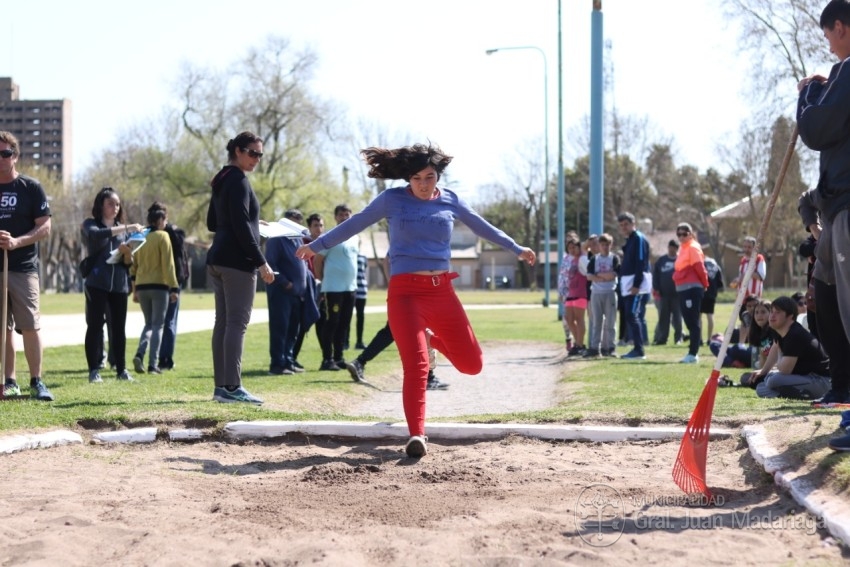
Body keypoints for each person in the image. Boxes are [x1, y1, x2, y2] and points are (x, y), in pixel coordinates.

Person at [297, 143, 535, 458]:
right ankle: (416, 435)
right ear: (407, 178)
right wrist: (317, 245)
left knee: (472, 365)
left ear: (438, 176)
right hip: (405, 294)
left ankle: (431, 339)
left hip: (442, 292)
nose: (423, 184)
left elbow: (483, 227)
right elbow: (355, 224)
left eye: (429, 177)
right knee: (417, 367)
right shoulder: (392, 199)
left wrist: (517, 248)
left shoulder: (451, 200)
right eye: (416, 178)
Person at [797, 2, 850, 405]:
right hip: (834, 207)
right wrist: (824, 85)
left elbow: (815, 129)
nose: (829, 45)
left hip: (847, 206)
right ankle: (843, 387)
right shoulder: (842, 74)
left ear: (841, 27)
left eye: (828, 35)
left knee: (846, 303)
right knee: (826, 297)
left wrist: (808, 94)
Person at [206, 131, 275, 404]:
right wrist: (261, 262)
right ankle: (233, 387)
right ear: (238, 151)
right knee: (237, 323)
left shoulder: (222, 178)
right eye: (252, 153)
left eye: (260, 154)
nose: (257, 158)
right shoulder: (239, 180)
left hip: (217, 258)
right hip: (236, 262)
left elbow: (214, 222)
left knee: (223, 323)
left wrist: (255, 222)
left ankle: (221, 388)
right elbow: (240, 225)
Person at [0, 131, 54, 401]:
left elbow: (45, 226)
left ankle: (37, 381)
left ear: (15, 156)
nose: (1, 158)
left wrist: (16, 241)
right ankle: (10, 382)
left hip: (23, 268)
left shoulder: (30, 187)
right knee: (3, 328)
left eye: (5, 153)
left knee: (30, 325)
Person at [81, 187, 144, 383]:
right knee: (94, 326)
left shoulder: (123, 231)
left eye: (117, 204)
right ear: (101, 205)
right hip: (96, 284)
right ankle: (94, 370)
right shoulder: (90, 224)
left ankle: (121, 370)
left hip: (119, 286)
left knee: (119, 328)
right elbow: (97, 235)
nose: (115, 208)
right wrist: (127, 228)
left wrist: (127, 253)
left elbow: (127, 263)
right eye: (110, 204)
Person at [748, 297, 830, 400]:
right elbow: (775, 347)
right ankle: (791, 393)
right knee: (760, 387)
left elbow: (785, 370)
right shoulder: (779, 330)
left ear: (790, 315)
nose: (772, 315)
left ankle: (798, 392)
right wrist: (763, 371)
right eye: (771, 311)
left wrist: (771, 371)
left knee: (773, 380)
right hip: (802, 377)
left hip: (820, 380)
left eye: (777, 312)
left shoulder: (795, 334)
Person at [130, 203, 179, 375]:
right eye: (165, 220)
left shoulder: (140, 236)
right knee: (158, 325)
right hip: (159, 286)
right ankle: (153, 364)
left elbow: (133, 266)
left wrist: (134, 289)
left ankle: (140, 353)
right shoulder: (163, 236)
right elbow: (168, 265)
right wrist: (174, 287)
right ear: (159, 221)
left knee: (148, 324)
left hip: (142, 286)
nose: (166, 223)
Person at [265, 209, 313, 375]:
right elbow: (270, 263)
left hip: (297, 294)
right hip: (281, 293)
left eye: (299, 220)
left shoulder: (298, 239)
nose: (297, 223)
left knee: (293, 330)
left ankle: (289, 361)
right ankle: (277, 364)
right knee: (280, 329)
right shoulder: (276, 239)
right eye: (294, 220)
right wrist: (285, 283)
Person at [313, 204, 359, 371]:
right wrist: (322, 278)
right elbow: (317, 260)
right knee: (331, 323)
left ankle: (339, 358)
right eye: (341, 215)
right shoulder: (330, 236)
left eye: (347, 214)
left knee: (344, 324)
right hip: (333, 289)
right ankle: (327, 359)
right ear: (335, 217)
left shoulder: (355, 236)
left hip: (350, 288)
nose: (344, 217)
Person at [346, 321, 449, 390]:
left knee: (390, 331)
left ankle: (360, 362)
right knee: (422, 332)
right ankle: (428, 378)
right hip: (417, 301)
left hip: (398, 301)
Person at [616, 212, 651, 360]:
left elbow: (641, 262)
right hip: (627, 283)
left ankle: (639, 350)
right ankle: (636, 347)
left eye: (626, 224)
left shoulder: (638, 239)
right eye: (621, 225)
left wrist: (637, 284)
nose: (624, 227)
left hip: (636, 284)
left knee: (632, 314)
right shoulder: (629, 240)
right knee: (629, 315)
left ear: (633, 224)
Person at [672, 223, 708, 363]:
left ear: (691, 234)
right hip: (683, 288)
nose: (681, 237)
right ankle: (692, 352)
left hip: (691, 288)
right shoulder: (683, 248)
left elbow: (700, 267)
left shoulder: (693, 247)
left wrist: (705, 284)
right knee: (689, 320)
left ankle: (693, 354)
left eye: (684, 234)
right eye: (679, 234)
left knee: (692, 321)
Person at [291, 212, 323, 369]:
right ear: (309, 228)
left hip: (319, 287)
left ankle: (328, 357)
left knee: (315, 322)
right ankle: (291, 356)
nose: (319, 229)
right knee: (301, 323)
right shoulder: (303, 242)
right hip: (305, 287)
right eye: (315, 225)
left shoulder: (325, 243)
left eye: (321, 225)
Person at [584, 233, 619, 358]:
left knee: (610, 322)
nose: (605, 247)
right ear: (599, 245)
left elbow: (614, 274)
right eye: (603, 244)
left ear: (611, 245)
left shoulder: (614, 258)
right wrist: (604, 277)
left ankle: (610, 347)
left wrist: (599, 275)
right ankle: (595, 348)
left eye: (607, 245)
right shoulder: (594, 259)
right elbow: (589, 276)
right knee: (596, 322)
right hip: (596, 293)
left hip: (610, 293)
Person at [652, 239, 683, 346]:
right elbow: (655, 275)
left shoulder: (681, 260)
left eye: (673, 248)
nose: (671, 250)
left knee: (677, 318)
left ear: (677, 249)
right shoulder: (661, 260)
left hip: (677, 294)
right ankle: (662, 338)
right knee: (663, 318)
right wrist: (656, 288)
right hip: (663, 294)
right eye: (670, 247)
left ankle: (678, 338)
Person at [563, 236, 588, 356]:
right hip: (571, 293)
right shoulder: (572, 260)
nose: (572, 250)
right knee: (569, 319)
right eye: (570, 248)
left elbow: (587, 272)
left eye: (574, 247)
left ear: (579, 247)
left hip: (580, 293)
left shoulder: (582, 259)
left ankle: (580, 344)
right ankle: (578, 343)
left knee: (579, 319)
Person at [702, 255, 724, 343]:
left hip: (701, 292)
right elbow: (720, 284)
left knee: (698, 316)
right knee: (710, 316)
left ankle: (699, 339)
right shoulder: (716, 266)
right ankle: (709, 339)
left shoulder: (701, 264)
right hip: (712, 294)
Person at [352, 252, 368, 349]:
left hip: (362, 290)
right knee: (347, 316)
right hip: (350, 289)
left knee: (360, 316)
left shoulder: (364, 257)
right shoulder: (349, 254)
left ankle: (359, 341)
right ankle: (345, 342)